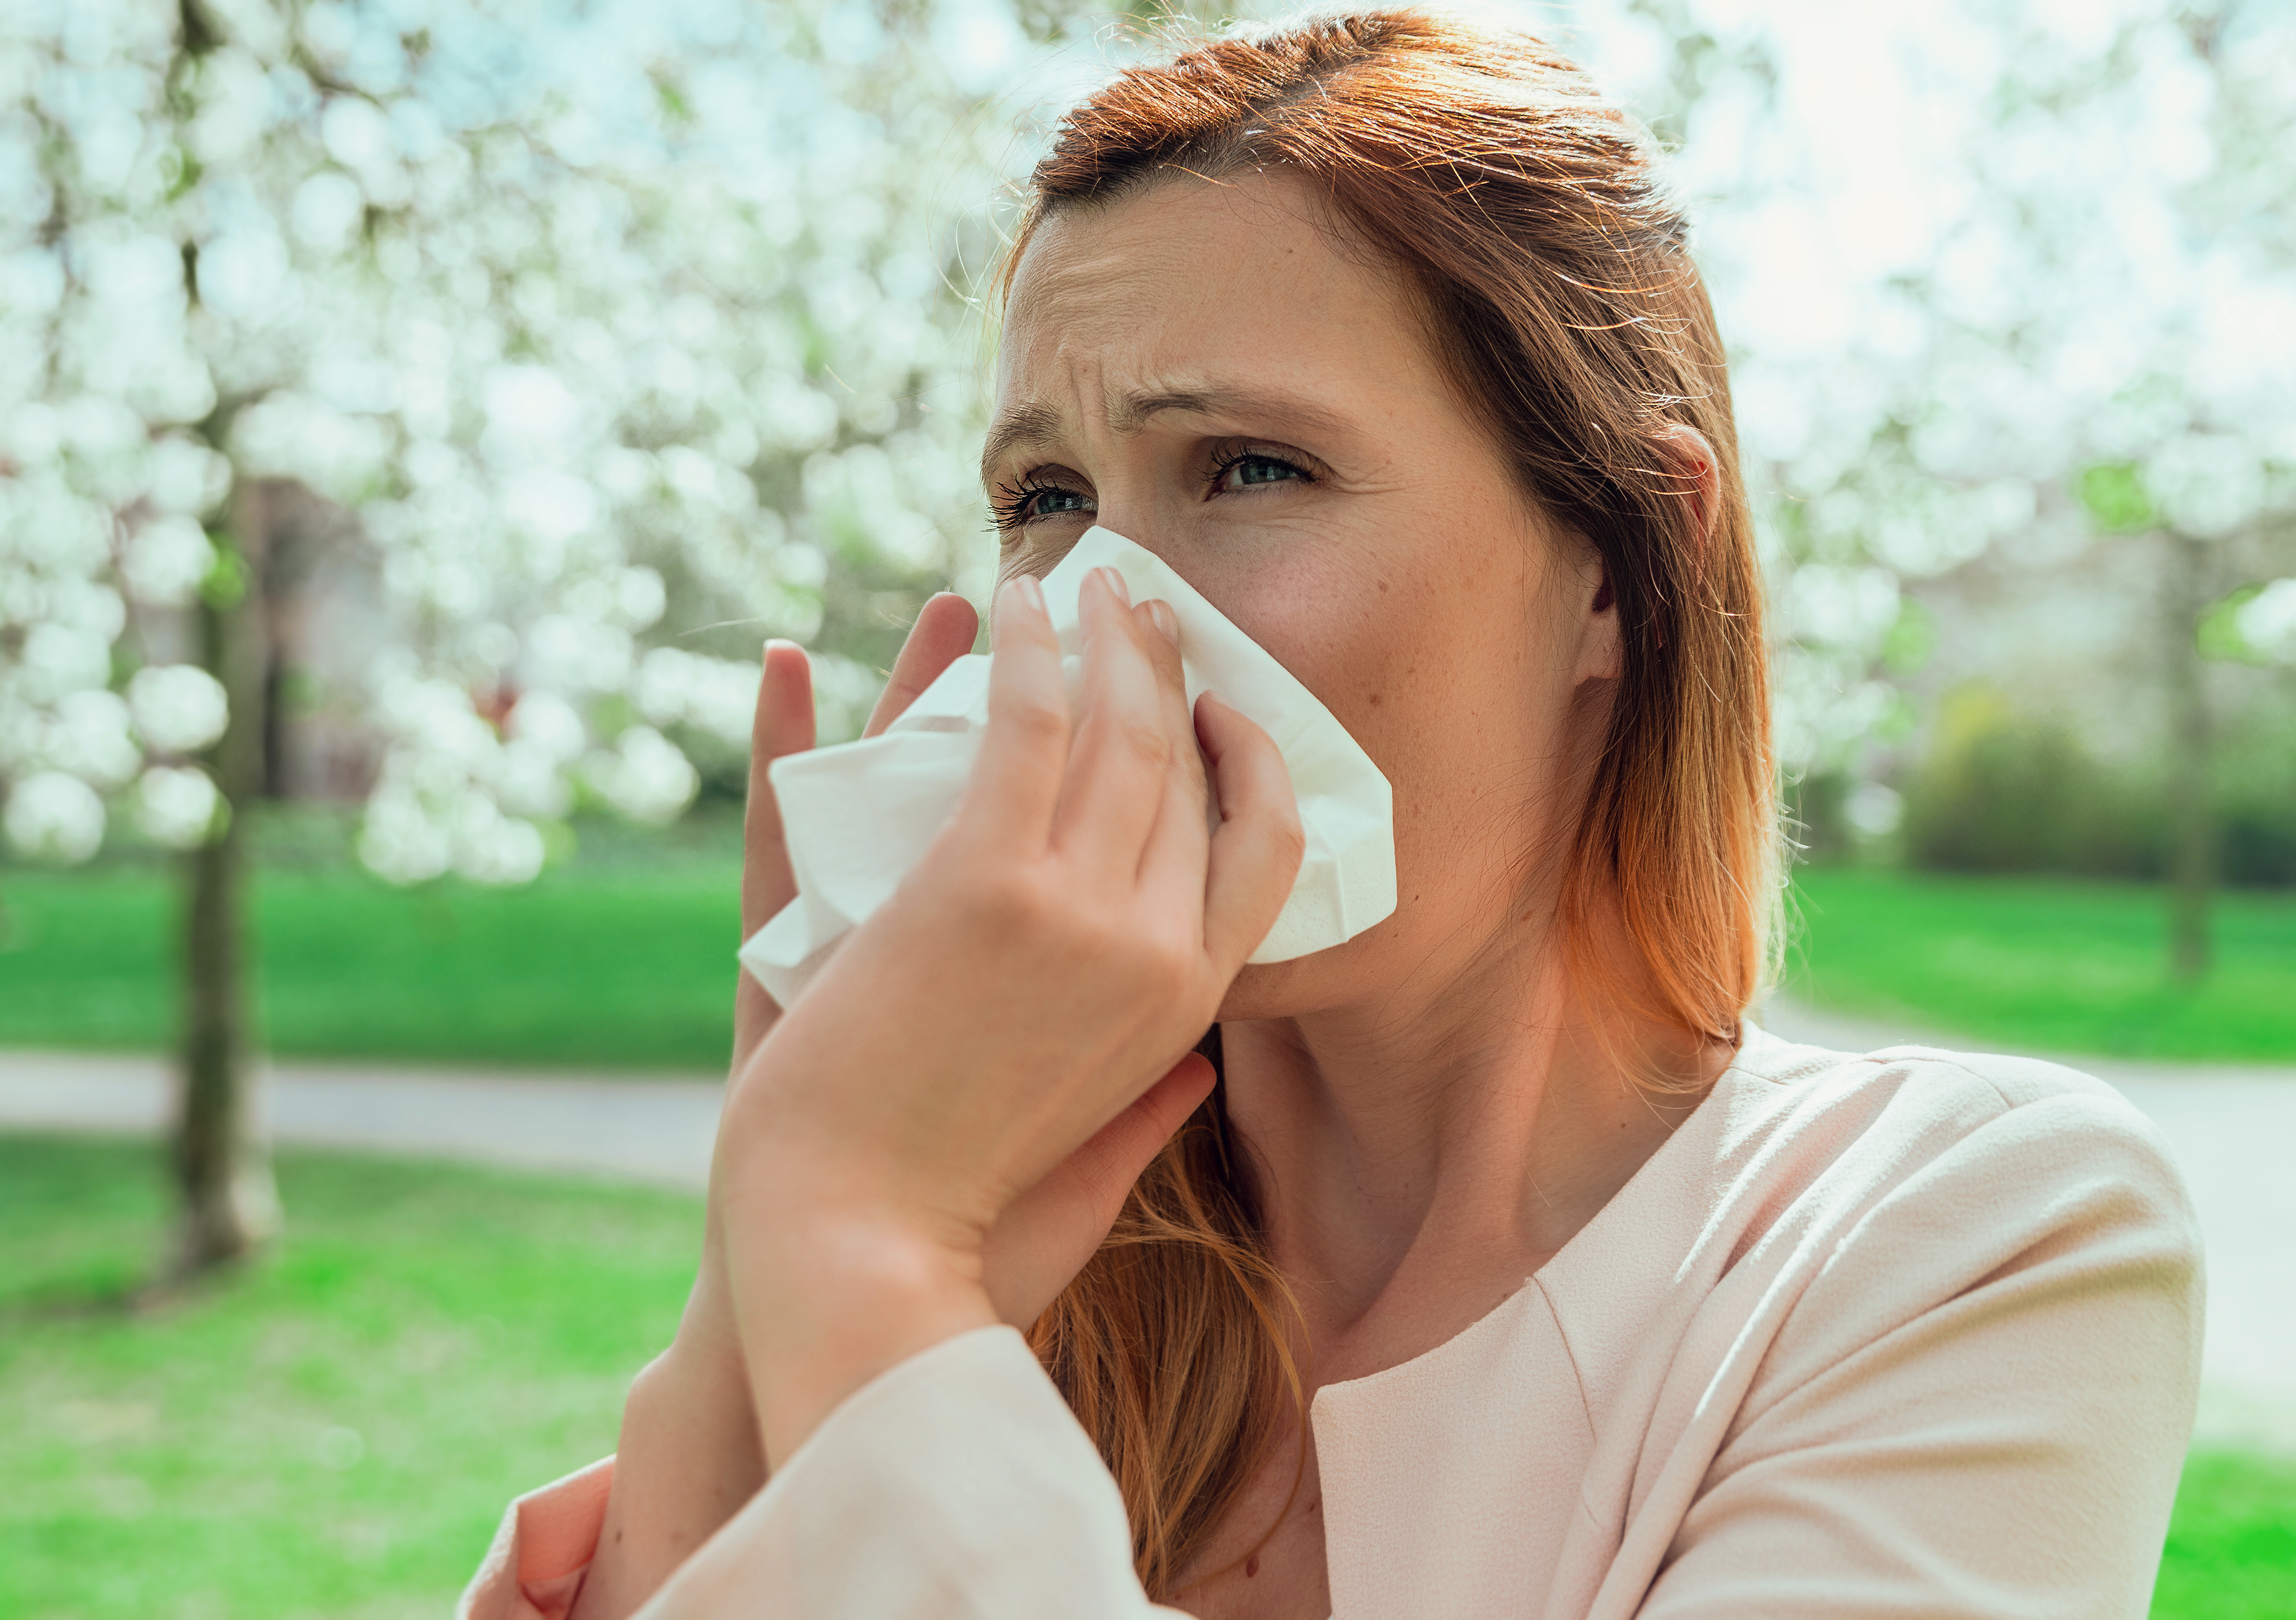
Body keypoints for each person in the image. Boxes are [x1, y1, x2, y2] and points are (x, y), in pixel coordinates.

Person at [464, 12, 2201, 1619]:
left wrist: (852, 1242)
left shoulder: (1963, 1241)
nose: (1093, 615)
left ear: (1621, 565)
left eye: (1249, 469)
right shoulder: (1009, 1258)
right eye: (1045, 500)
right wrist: (766, 1277)